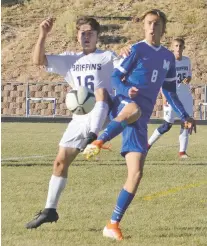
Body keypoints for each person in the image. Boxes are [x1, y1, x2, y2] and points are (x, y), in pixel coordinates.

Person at [83, 9, 196, 240]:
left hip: (139, 118)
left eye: (156, 23)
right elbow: (116, 77)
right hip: (124, 104)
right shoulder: (136, 49)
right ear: (144, 27)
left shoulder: (167, 58)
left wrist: (184, 115)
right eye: (148, 23)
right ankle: (99, 141)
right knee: (133, 108)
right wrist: (127, 90)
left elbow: (170, 91)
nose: (152, 27)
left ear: (164, 28)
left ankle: (112, 224)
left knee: (136, 174)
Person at [25, 16, 140, 229]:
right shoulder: (70, 59)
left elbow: (126, 64)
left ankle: (94, 138)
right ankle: (50, 210)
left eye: (90, 33)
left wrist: (125, 50)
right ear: (77, 35)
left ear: (97, 36)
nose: (86, 36)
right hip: (80, 116)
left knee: (100, 92)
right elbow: (37, 61)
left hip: (104, 112)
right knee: (60, 162)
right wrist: (43, 34)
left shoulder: (106, 56)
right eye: (82, 33)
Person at [148, 38, 193, 158]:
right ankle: (147, 145)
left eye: (180, 46)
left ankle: (182, 152)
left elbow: (188, 76)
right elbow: (161, 81)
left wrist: (188, 79)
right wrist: (164, 96)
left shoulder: (187, 61)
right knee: (167, 125)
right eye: (176, 46)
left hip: (185, 96)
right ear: (172, 47)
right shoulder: (167, 62)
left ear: (184, 47)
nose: (178, 48)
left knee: (186, 123)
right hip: (171, 96)